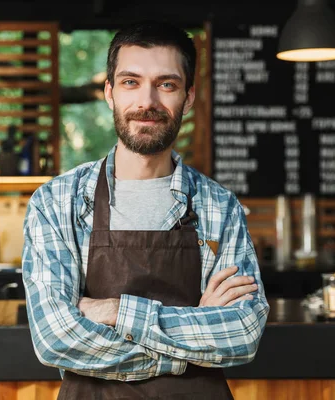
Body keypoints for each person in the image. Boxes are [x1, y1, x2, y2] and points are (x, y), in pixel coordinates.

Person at [22, 20, 270, 399]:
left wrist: (116, 312)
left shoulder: (219, 207)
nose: (147, 103)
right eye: (130, 82)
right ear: (110, 93)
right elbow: (57, 338)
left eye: (166, 84)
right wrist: (192, 342)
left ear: (188, 97)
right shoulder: (57, 203)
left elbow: (241, 334)